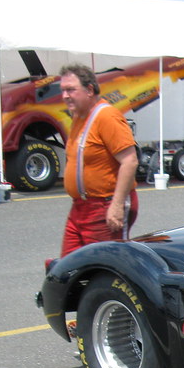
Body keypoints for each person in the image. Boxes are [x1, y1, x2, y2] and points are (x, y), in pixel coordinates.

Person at [59, 63, 139, 257]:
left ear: (89, 90)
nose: (65, 96)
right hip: (81, 207)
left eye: (71, 90)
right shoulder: (79, 116)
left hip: (104, 206)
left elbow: (130, 161)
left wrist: (117, 205)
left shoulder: (107, 116)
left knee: (105, 266)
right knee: (68, 266)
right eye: (63, 90)